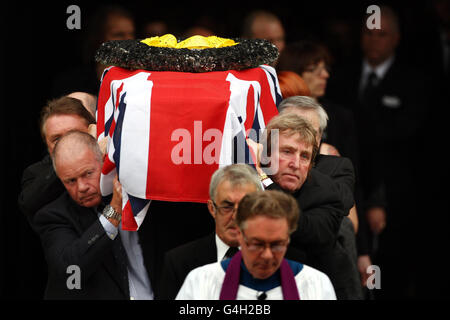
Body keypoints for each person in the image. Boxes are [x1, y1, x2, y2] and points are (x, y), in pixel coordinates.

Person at [326, 6, 429, 299]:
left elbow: (408, 136)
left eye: (381, 34)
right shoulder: (340, 77)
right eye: (368, 33)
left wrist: (378, 198)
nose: (374, 40)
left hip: (398, 194)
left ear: (396, 38)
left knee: (392, 267)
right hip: (349, 189)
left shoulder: (415, 82)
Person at [33, 131, 152, 299]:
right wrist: (113, 212)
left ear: (103, 162)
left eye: (88, 174)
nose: (82, 187)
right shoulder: (53, 216)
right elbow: (71, 268)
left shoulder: (139, 196)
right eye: (71, 181)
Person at [176, 190, 336, 300]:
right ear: (239, 235)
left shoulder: (315, 284)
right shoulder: (202, 282)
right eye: (257, 244)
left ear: (288, 240)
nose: (267, 255)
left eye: (277, 245)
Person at [277, 96, 363, 299]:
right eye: (291, 127)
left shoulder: (336, 166)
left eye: (308, 130)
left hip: (319, 269)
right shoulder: (259, 163)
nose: (300, 135)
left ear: (320, 137)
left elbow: (340, 204)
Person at [250, 113, 344, 296]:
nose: (296, 164)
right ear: (266, 155)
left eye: (305, 156)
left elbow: (304, 228)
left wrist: (262, 177)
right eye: (287, 152)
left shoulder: (328, 193)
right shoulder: (245, 183)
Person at [158, 164, 262, 299]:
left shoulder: (281, 261)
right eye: (227, 206)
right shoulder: (179, 263)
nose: (236, 216)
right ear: (212, 209)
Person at [18, 96, 96, 224]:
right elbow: (29, 204)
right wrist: (64, 166)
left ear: (93, 131)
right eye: (57, 140)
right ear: (47, 146)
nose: (66, 144)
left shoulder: (113, 161)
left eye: (74, 134)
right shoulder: (36, 173)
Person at [52, 5, 136, 97]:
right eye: (118, 35)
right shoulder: (72, 82)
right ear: (98, 37)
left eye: (131, 34)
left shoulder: (141, 79)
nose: (128, 40)